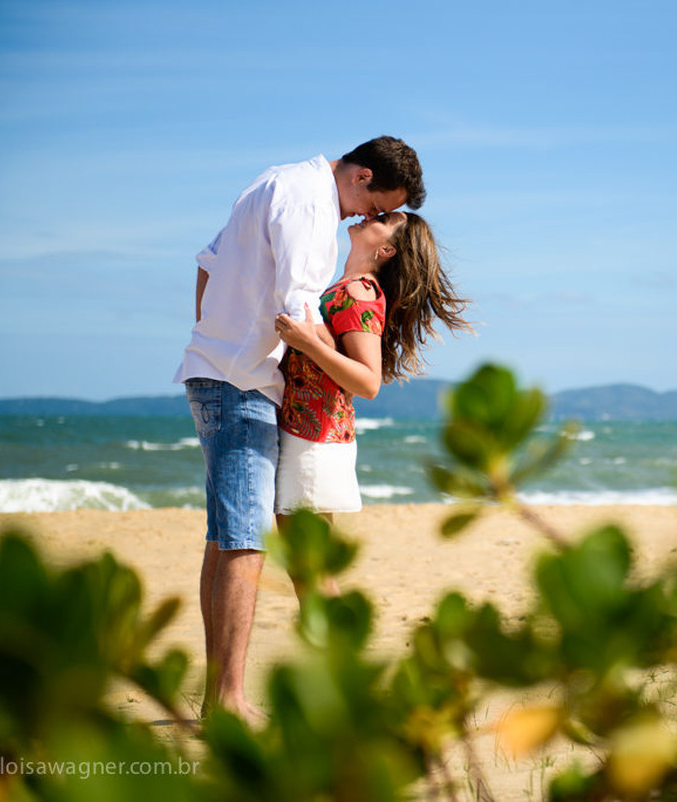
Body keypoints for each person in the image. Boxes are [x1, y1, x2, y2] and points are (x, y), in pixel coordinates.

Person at [173, 136, 425, 725]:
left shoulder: (276, 180)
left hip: (227, 374)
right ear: (362, 176)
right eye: (376, 205)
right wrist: (252, 350)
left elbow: (207, 264)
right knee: (245, 542)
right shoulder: (311, 204)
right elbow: (298, 309)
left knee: (229, 539)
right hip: (243, 383)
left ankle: (224, 698)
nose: (365, 216)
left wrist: (214, 338)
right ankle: (229, 700)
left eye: (379, 217)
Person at [272, 211, 471, 583]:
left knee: (309, 573)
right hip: (313, 432)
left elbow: (368, 382)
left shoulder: (359, 292)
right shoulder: (346, 287)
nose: (370, 215)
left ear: (387, 249)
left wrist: (307, 343)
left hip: (313, 438)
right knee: (308, 571)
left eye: (384, 219)